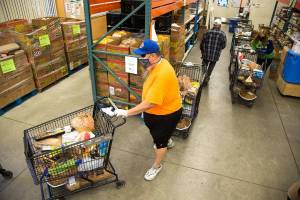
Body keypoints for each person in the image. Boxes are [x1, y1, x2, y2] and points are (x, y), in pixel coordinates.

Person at [114, 39, 182, 181]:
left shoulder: (162, 74)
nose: (140, 59)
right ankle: (167, 139)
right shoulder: (159, 63)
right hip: (159, 113)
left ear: (152, 56)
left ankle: (157, 165)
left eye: (142, 56)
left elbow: (150, 103)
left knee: (159, 143)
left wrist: (126, 112)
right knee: (160, 135)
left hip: (165, 115)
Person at [200, 19, 227, 86]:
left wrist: (203, 52)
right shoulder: (223, 34)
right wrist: (218, 49)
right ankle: (207, 77)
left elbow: (202, 43)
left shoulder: (207, 32)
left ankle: (204, 76)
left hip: (206, 54)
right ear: (220, 26)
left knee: (204, 65)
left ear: (213, 25)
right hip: (215, 55)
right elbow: (223, 45)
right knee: (211, 66)